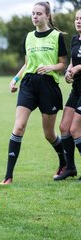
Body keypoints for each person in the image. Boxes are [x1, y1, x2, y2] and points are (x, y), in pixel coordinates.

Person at [0, 1, 67, 185]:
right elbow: (27, 64)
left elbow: (62, 64)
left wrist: (50, 67)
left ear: (47, 16)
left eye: (39, 13)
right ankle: (8, 176)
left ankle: (64, 163)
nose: (35, 16)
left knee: (49, 134)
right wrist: (15, 80)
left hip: (48, 85)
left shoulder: (57, 36)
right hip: (29, 84)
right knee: (19, 127)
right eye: (33, 13)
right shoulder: (28, 37)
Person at [55, 9, 81, 181]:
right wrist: (68, 72)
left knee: (75, 129)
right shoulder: (74, 39)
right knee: (64, 127)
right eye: (77, 18)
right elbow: (72, 61)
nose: (79, 21)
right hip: (77, 89)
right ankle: (70, 168)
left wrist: (79, 68)